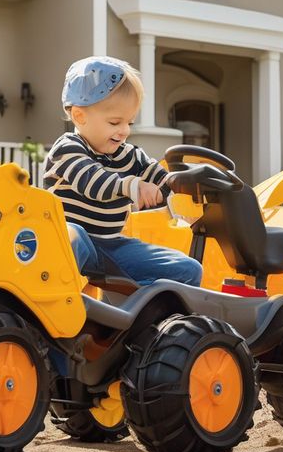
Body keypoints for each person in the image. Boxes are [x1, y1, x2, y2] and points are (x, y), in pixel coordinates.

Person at [44, 56, 203, 287]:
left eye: (129, 122)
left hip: (111, 246)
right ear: (80, 116)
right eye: (115, 122)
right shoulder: (67, 149)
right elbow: (92, 181)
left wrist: (185, 190)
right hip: (68, 239)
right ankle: (56, 301)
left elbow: (161, 177)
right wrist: (133, 185)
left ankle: (140, 316)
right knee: (72, 236)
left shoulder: (129, 154)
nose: (125, 131)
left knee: (188, 269)